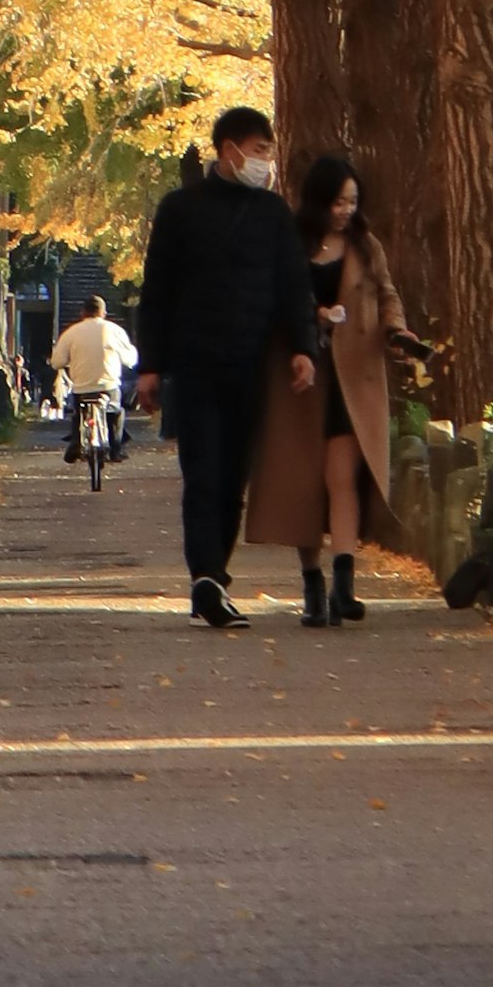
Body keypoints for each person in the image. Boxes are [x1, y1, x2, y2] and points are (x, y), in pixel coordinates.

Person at [132, 111, 325, 628]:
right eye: (258, 149)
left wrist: (303, 347)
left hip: (252, 363)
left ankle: (215, 577)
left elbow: (293, 287)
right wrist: (149, 365)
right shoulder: (179, 210)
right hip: (195, 363)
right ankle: (206, 579)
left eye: (268, 151)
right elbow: (157, 293)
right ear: (228, 149)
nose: (264, 160)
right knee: (202, 474)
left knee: (232, 478)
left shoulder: (272, 213)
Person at [242, 150, 415, 625]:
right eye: (338, 202)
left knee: (342, 480)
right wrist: (312, 317)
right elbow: (272, 301)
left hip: (353, 376)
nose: (346, 211)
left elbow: (386, 293)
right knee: (304, 484)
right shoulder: (291, 243)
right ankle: (313, 584)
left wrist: (397, 330)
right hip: (302, 377)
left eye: (353, 201)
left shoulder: (365, 245)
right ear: (318, 202)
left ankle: (344, 586)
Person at [47, 292, 139, 488]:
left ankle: (75, 444)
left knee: (78, 412)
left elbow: (57, 362)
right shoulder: (114, 330)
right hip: (108, 386)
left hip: (81, 387)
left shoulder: (71, 332)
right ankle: (115, 448)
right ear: (103, 313)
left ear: (83, 313)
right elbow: (130, 359)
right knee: (116, 411)